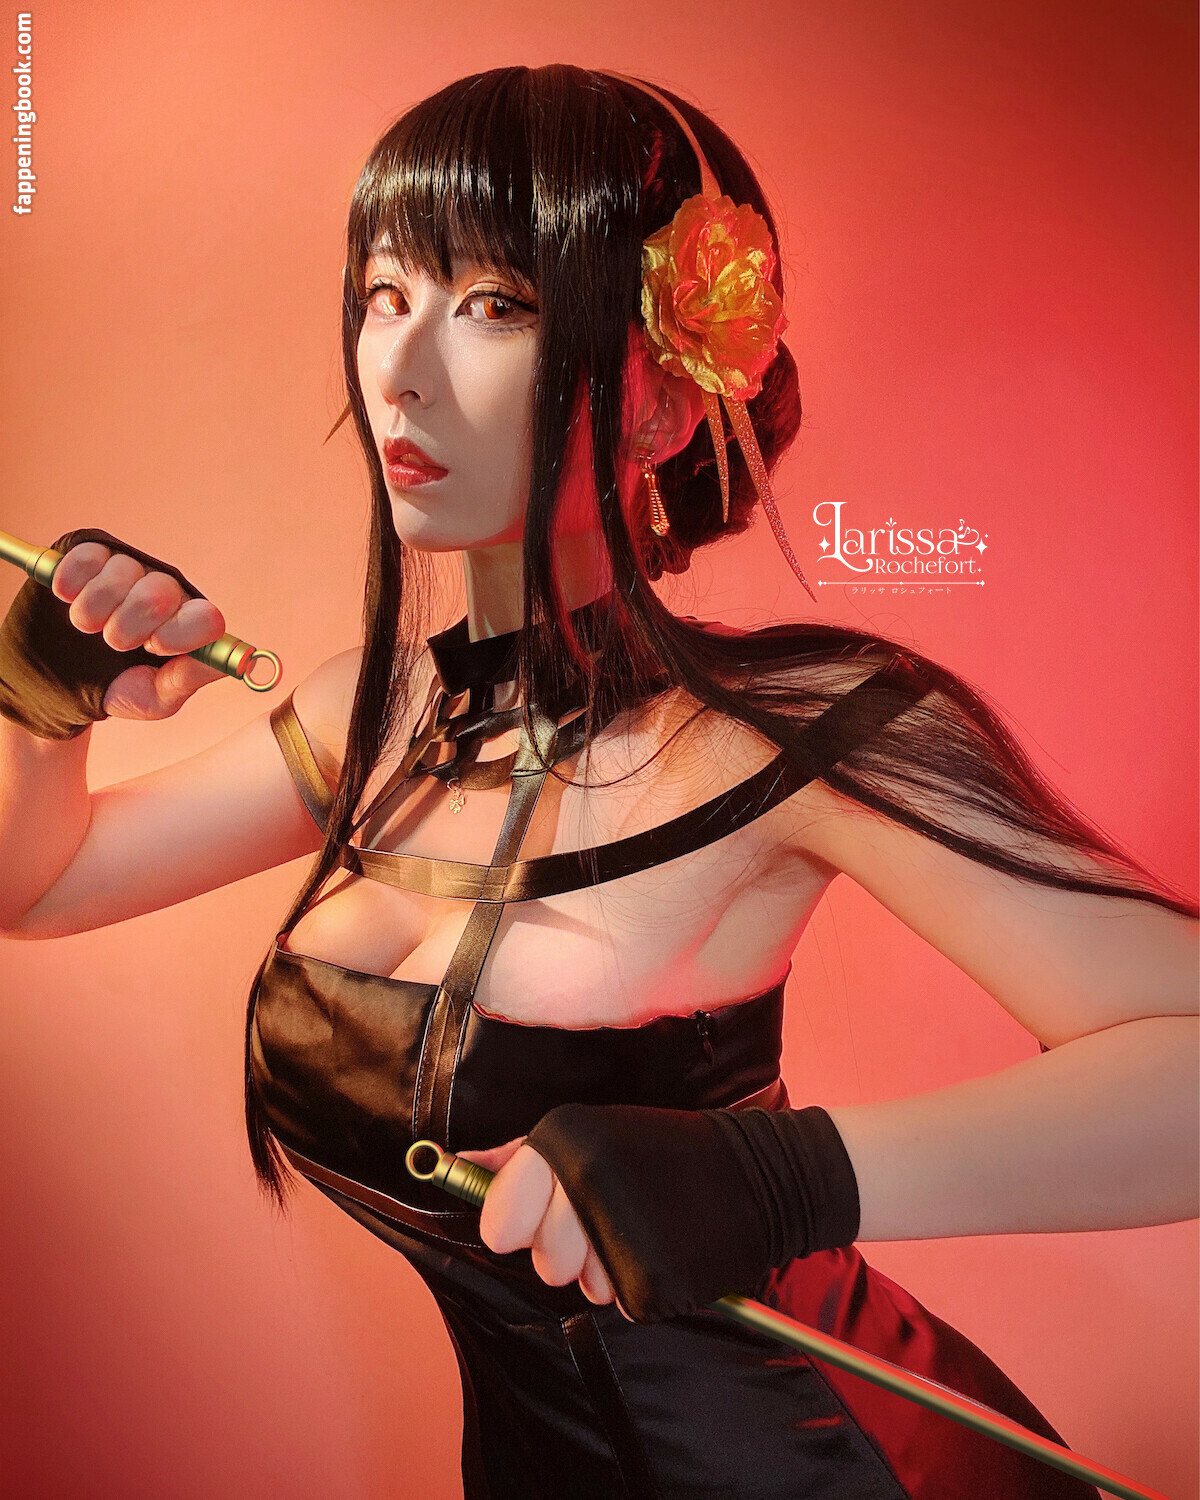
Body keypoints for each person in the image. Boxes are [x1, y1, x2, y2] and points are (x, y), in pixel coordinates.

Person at [0, 63, 1195, 1500]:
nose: (400, 367)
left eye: (494, 304)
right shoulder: (378, 714)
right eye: (385, 293)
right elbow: (41, 885)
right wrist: (39, 705)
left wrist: (783, 1178)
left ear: (663, 405)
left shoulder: (802, 731)